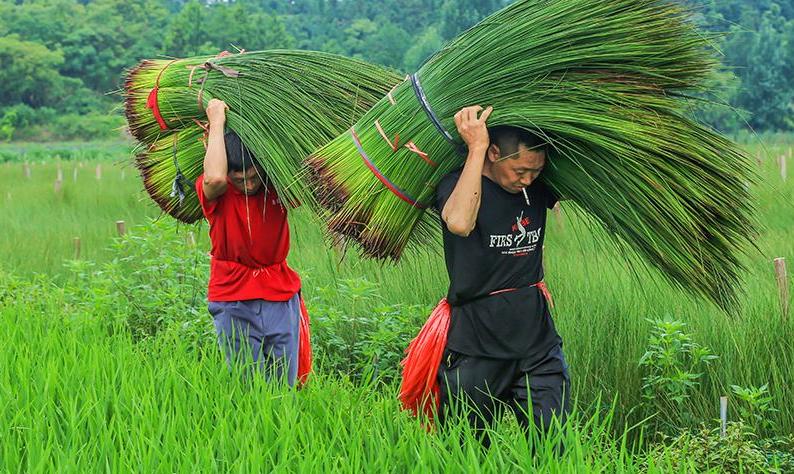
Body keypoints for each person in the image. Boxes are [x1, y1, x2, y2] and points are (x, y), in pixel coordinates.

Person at [197, 98, 310, 386]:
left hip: (280, 294)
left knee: (284, 384)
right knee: (246, 384)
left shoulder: (277, 188)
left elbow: (305, 166)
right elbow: (214, 176)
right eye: (239, 179)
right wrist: (217, 122)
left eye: (252, 178)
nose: (247, 185)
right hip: (233, 296)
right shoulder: (219, 194)